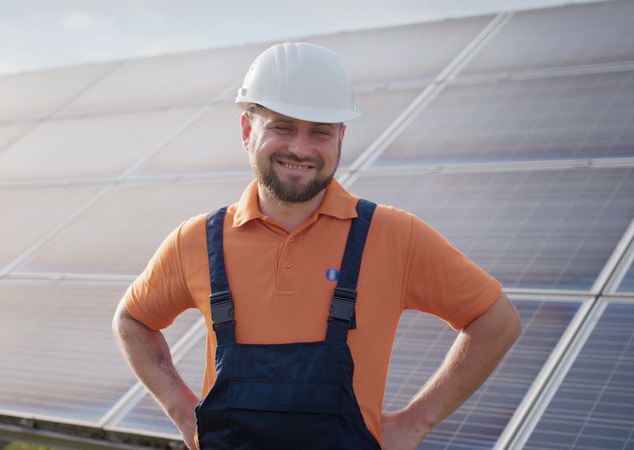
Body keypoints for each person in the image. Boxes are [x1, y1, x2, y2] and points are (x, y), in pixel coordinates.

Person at [113, 42, 521, 450]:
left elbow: (496, 321)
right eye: (282, 126)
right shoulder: (197, 240)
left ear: (341, 138)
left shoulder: (395, 234)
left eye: (319, 132)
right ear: (246, 130)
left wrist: (415, 422)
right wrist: (184, 412)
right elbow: (132, 322)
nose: (301, 148)